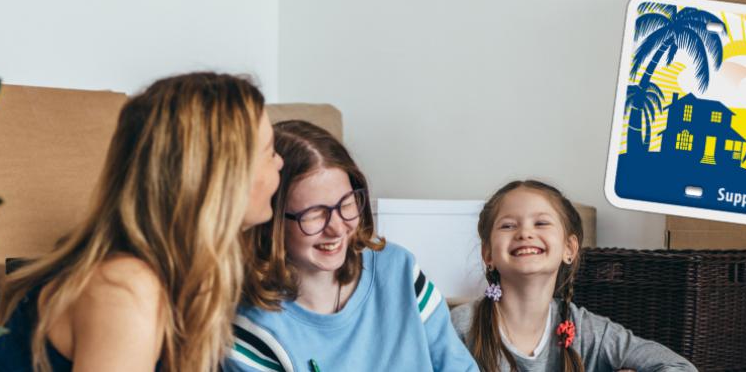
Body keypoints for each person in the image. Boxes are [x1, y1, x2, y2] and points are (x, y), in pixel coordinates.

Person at [0, 72, 284, 372]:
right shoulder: (125, 288)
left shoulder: (181, 282)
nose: (280, 162)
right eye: (269, 152)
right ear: (223, 178)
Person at [227, 120, 478, 372]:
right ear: (272, 222)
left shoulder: (399, 270)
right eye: (315, 213)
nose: (337, 228)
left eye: (346, 203)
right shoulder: (252, 329)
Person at [451, 180, 697, 372]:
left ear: (569, 249)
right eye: (508, 225)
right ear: (488, 254)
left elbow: (681, 367)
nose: (525, 232)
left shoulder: (590, 332)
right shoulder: (460, 326)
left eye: (541, 223)